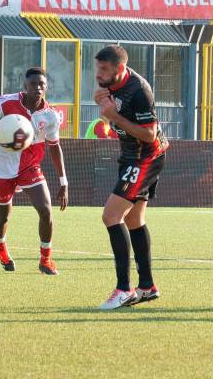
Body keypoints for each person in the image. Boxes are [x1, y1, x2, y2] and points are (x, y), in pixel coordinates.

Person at [93, 45, 169, 310]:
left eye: (104, 69)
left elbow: (149, 134)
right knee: (134, 219)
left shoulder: (139, 90)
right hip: (129, 155)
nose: (98, 74)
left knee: (111, 216)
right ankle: (147, 286)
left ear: (120, 68)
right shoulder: (109, 85)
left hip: (146, 156)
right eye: (97, 68)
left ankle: (124, 289)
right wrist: (104, 104)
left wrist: (112, 115)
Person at [0, 67, 68, 275]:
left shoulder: (50, 116)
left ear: (46, 87)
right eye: (33, 84)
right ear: (25, 86)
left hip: (29, 166)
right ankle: (1, 248)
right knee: (3, 216)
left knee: (46, 209)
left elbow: (54, 147)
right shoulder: (6, 103)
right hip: (0, 166)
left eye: (42, 84)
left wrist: (63, 182)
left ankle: (46, 261)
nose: (38, 87)